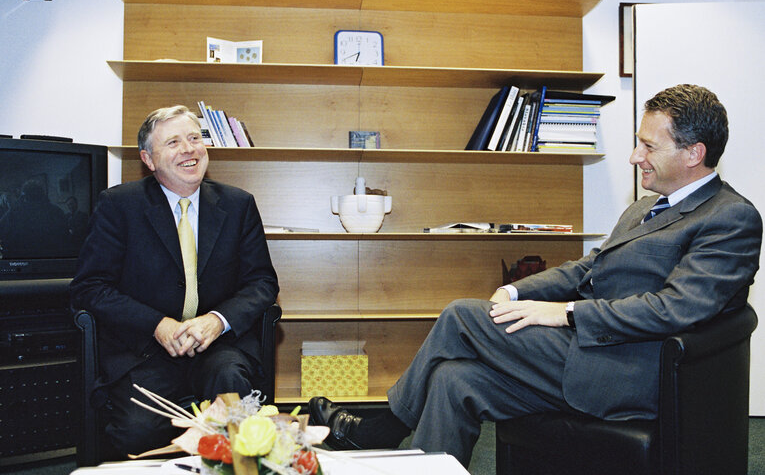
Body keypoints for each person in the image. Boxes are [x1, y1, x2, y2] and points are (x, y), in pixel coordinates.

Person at [308, 84, 763, 466]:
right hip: (587, 355)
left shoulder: (730, 217)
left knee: (461, 316)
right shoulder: (646, 206)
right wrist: (515, 289)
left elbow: (676, 308)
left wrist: (564, 313)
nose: (633, 156)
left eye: (648, 145)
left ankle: (382, 430)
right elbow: (590, 268)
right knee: (453, 379)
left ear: (694, 153)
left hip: (634, 371)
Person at [70, 105, 279, 456]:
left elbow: (262, 282)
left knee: (238, 416)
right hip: (144, 352)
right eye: (173, 142)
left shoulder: (238, 204)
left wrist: (217, 321)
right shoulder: (119, 206)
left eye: (195, 138)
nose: (189, 149)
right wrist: (157, 325)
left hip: (218, 347)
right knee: (137, 432)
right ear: (148, 160)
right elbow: (90, 288)